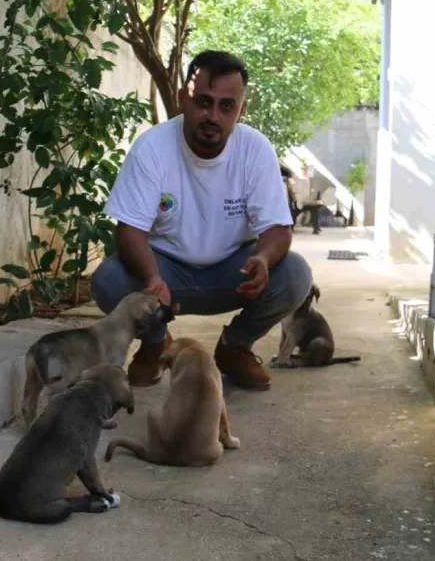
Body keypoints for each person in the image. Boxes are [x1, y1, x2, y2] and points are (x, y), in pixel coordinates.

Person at [90, 50, 313, 391]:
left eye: (227, 106)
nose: (212, 115)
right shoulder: (152, 148)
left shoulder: (256, 150)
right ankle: (156, 342)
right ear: (184, 100)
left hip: (233, 272)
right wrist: (152, 276)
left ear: (241, 111)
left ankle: (234, 348)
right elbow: (129, 231)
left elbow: (277, 229)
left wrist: (264, 259)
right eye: (203, 102)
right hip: (164, 275)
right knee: (109, 280)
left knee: (295, 274)